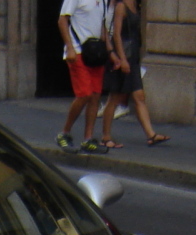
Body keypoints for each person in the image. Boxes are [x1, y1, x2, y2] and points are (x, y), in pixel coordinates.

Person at [100, 0, 170, 148]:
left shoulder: (135, 5)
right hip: (123, 58)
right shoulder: (121, 6)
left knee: (139, 97)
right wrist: (122, 59)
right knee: (114, 98)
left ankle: (151, 135)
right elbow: (117, 35)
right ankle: (106, 137)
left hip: (133, 58)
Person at [56, 0, 111, 155]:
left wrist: (110, 52)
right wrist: (70, 47)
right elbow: (62, 20)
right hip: (78, 51)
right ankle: (64, 133)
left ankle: (88, 139)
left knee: (95, 96)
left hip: (94, 52)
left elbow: (102, 27)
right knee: (84, 94)